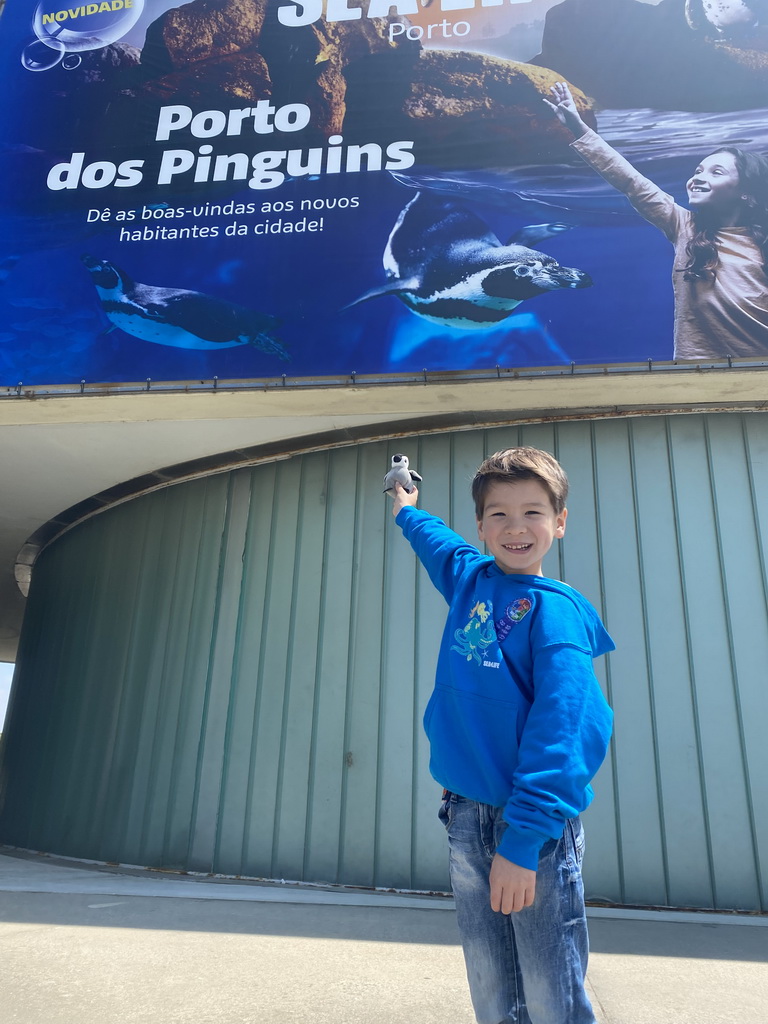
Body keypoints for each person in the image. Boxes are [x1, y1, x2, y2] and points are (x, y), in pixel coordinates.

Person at [391, 447, 614, 1024]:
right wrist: (406, 506)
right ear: (481, 526)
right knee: (491, 984)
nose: (516, 528)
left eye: (534, 513)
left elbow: (568, 733)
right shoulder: (470, 579)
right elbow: (433, 540)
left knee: (549, 990)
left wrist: (521, 842)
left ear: (560, 522)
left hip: (530, 829)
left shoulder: (557, 614)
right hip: (464, 815)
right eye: (499, 515)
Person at [544, 80, 768, 361]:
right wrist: (579, 128)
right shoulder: (685, 226)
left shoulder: (762, 242)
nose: (699, 177)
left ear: (747, 194)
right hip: (696, 375)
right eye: (698, 170)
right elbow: (631, 181)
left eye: (716, 172)